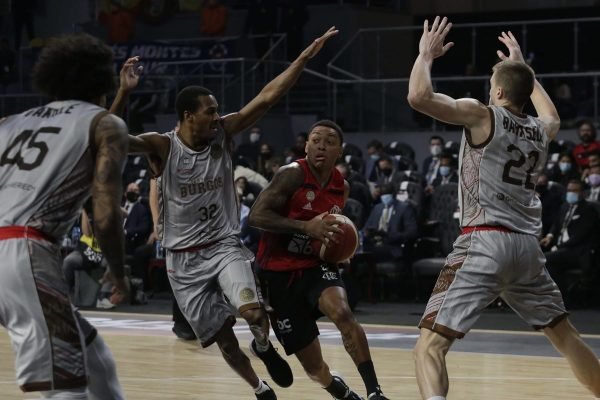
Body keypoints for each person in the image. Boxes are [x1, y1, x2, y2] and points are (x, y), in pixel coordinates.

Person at [114, 27, 339, 400]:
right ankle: (259, 387)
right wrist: (123, 91)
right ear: (188, 117)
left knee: (253, 313)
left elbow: (266, 98)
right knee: (224, 340)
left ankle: (264, 345)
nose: (218, 116)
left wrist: (302, 58)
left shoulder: (223, 133)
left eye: (218, 110)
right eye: (210, 111)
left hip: (223, 246)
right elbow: (110, 137)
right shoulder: (162, 147)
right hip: (182, 260)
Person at [407, 17, 600, 400]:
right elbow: (553, 117)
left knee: (429, 346)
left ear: (496, 90)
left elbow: (419, 97)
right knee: (565, 337)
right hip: (527, 249)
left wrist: (425, 56)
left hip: (483, 240)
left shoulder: (483, 114)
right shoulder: (540, 131)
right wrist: (525, 69)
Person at [0, 33, 128, 399]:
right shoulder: (105, 125)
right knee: (64, 386)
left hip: (9, 247)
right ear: (103, 80)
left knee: (93, 353)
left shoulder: (10, 121)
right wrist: (118, 275)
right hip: (22, 250)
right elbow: (104, 214)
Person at [249, 120, 389, 400]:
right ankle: (336, 388)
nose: (321, 145)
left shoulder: (342, 187)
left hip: (315, 266)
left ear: (340, 151)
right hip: (278, 272)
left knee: (343, 313)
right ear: (306, 145)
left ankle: (375, 392)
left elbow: (335, 228)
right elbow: (256, 217)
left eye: (329, 141)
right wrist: (305, 227)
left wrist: (341, 249)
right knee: (315, 367)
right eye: (315, 139)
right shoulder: (291, 174)